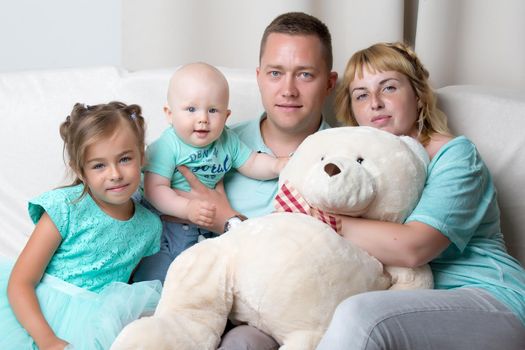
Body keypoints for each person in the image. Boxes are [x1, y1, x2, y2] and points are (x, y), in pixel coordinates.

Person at [315, 42, 525, 350]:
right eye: (361, 95)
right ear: (353, 111)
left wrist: (325, 221)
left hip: (489, 298)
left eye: (388, 87)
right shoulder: (352, 173)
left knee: (361, 316)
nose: (375, 103)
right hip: (408, 300)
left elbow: (414, 248)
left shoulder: (456, 156)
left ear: (417, 95)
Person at [171, 11, 338, 350]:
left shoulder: (343, 163)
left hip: (283, 318)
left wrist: (229, 221)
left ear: (330, 83)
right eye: (276, 73)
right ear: (259, 77)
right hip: (195, 297)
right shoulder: (211, 142)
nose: (288, 90)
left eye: (305, 74)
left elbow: (318, 263)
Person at [0, 102, 163, 350]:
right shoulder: (65, 208)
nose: (115, 174)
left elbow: (122, 287)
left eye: (125, 159)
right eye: (99, 165)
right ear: (81, 170)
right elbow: (20, 282)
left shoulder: (149, 227)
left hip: (98, 325)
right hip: (39, 317)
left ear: (142, 155)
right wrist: (47, 341)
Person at [131, 62, 288, 284]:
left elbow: (251, 162)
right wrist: (187, 208)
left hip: (204, 225)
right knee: (157, 277)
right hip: (164, 223)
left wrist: (276, 165)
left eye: (213, 110)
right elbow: (154, 189)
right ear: (169, 113)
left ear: (226, 116)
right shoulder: (168, 145)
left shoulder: (227, 140)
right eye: (191, 109)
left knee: (204, 276)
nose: (203, 118)